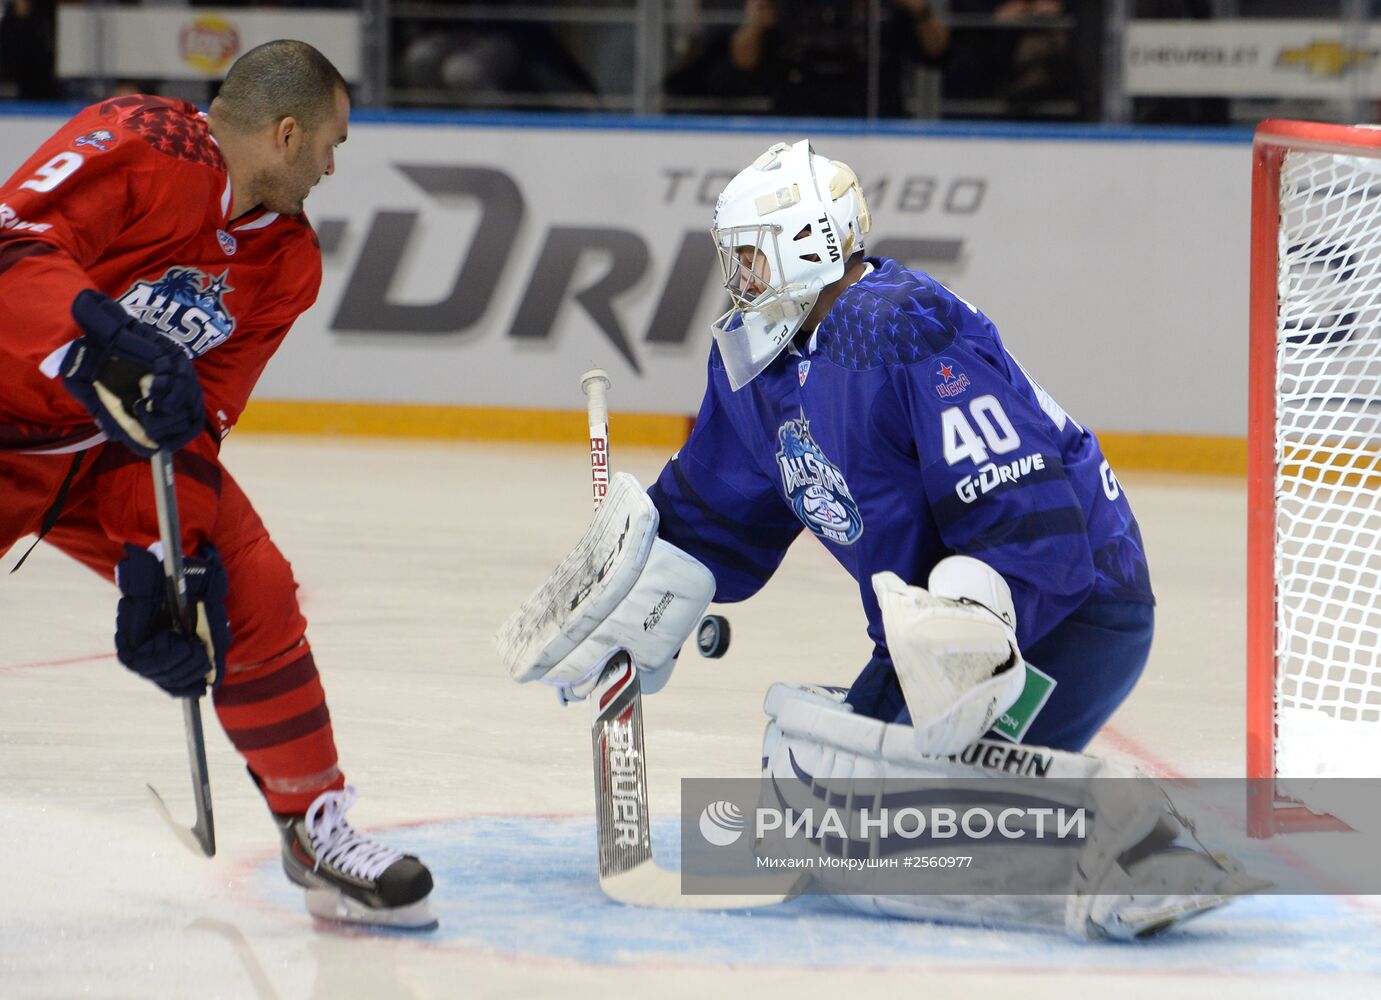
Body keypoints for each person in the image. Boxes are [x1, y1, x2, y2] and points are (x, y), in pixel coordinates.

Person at [500, 140, 1260, 939]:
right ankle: (1031, 805)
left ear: (808, 246)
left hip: (1066, 607)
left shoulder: (898, 326)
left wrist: (965, 644)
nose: (738, 280)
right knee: (823, 805)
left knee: (895, 834)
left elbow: (1019, 505)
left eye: (750, 258)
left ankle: (1138, 842)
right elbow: (714, 513)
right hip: (932, 633)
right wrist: (634, 589)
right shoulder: (754, 364)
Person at [0, 40, 434, 929]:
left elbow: (194, 425)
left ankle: (313, 827)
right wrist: (96, 342)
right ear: (285, 134)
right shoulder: (137, 139)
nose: (331, 166)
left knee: (245, 585)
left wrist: (161, 560)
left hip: (103, 454)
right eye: (332, 144)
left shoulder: (286, 264)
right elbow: (8, 253)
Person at [727, 0, 950, 117]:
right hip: (797, 117)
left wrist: (921, 11)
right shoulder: (786, 4)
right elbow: (743, 62)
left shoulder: (884, 6)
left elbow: (937, 52)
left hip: (873, 117)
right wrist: (755, 26)